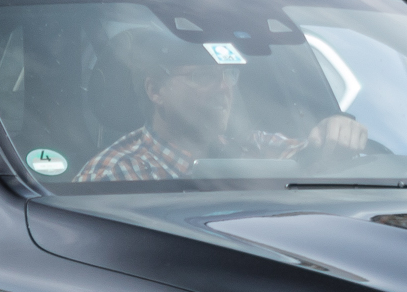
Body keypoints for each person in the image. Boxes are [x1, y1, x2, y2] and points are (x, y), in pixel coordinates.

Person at [78, 26, 367, 182]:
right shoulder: (114, 176)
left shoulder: (252, 148)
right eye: (203, 76)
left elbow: (308, 154)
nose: (224, 88)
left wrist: (335, 131)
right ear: (155, 90)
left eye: (228, 74)